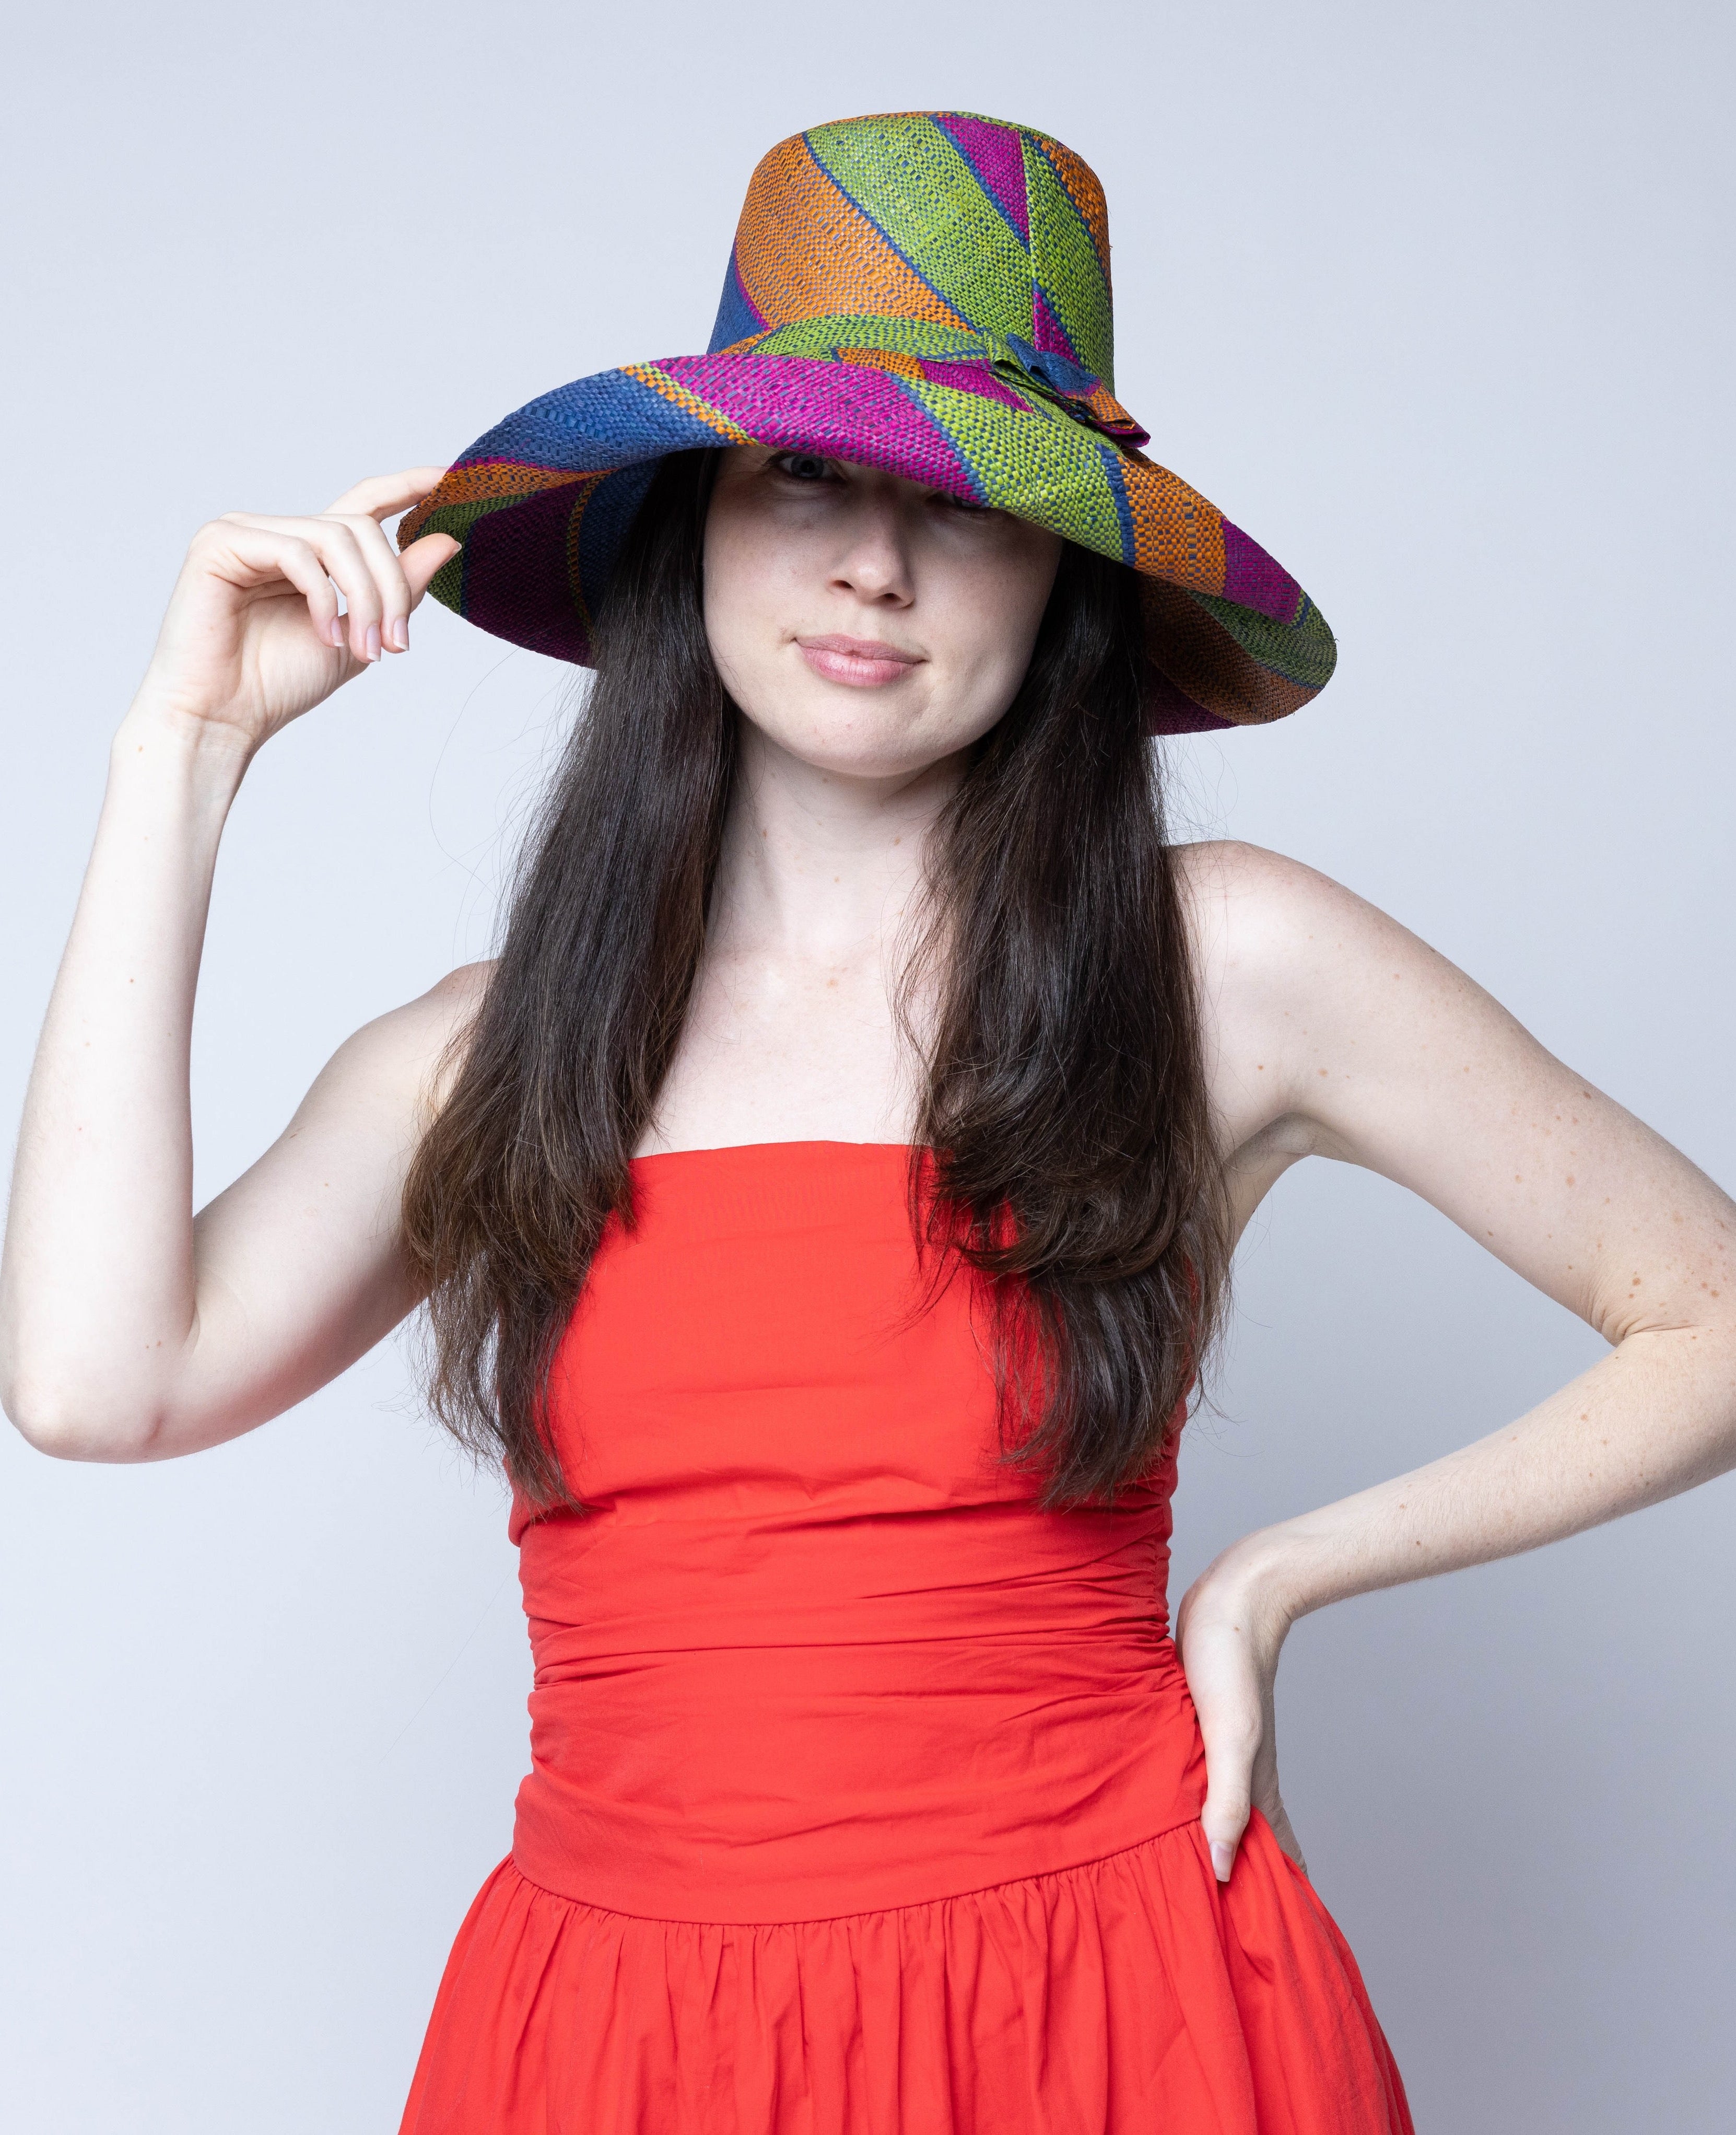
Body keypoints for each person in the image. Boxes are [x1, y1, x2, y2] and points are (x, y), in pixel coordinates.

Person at [2, 109, 1731, 2135]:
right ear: (694, 527)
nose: (877, 567)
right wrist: (182, 755)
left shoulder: (1222, 965)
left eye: (970, 507)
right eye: (805, 474)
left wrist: (1276, 1578)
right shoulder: (498, 1052)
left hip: (1113, 2012)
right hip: (621, 2044)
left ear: (1064, 576)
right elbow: (92, 1382)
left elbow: (1707, 1309)